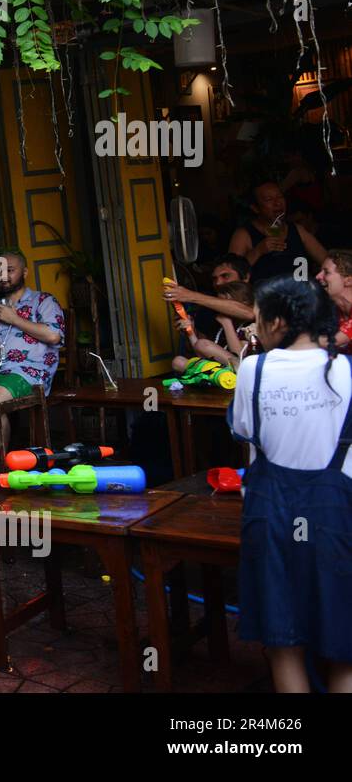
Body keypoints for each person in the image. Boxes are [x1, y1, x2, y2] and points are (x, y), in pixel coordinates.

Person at [229, 278, 352, 692]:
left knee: (283, 644)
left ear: (279, 320)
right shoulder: (344, 368)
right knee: (342, 645)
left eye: (258, 318)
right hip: (335, 519)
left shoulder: (253, 368)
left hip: (270, 514)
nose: (254, 326)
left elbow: (245, 429)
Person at [0, 249, 65, 446]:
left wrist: (15, 319)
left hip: (29, 373)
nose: (4, 276)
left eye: (10, 270)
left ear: (24, 273)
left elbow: (53, 335)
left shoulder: (43, 301)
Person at [228, 181, 327, 287]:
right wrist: (258, 251)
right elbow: (229, 275)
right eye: (269, 199)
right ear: (255, 208)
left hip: (301, 298)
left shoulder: (297, 230)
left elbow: (326, 260)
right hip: (265, 300)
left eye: (280, 197)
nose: (277, 203)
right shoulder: (244, 235)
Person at [173, 281, 256, 371]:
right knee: (178, 362)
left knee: (202, 344)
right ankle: (212, 377)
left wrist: (227, 323)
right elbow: (201, 353)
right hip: (219, 369)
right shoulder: (217, 325)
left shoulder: (249, 326)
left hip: (241, 369)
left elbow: (239, 356)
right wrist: (190, 331)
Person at [315, 250, 352, 351]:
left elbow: (330, 342)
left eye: (326, 272)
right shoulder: (332, 310)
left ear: (348, 281)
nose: (318, 276)